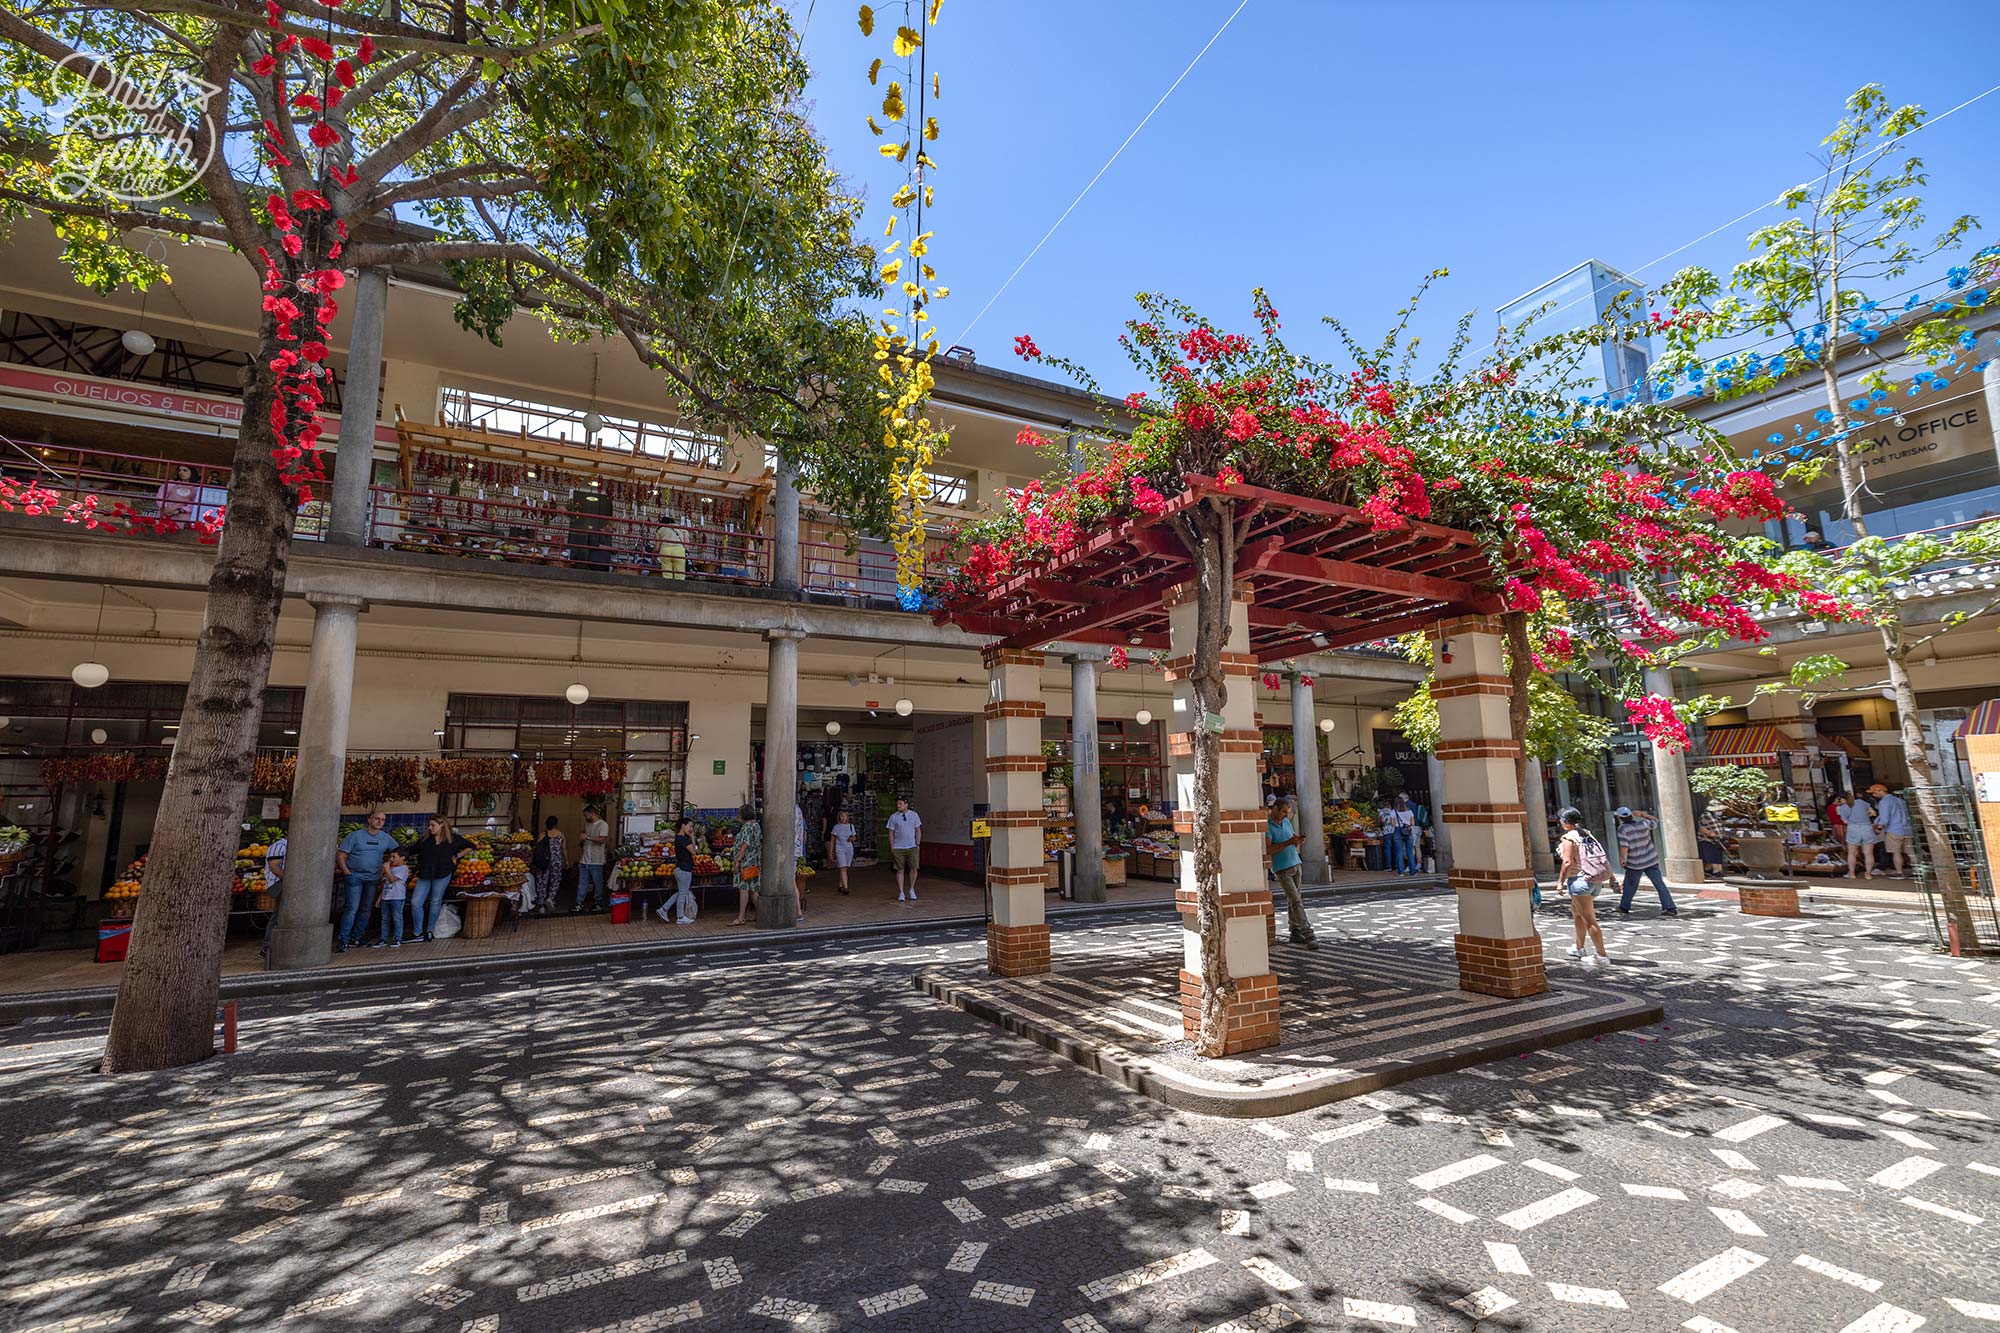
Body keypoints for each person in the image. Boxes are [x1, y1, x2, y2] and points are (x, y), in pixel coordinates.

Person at [1556, 807, 1612, 968]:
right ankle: (1579, 948)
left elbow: (1567, 862)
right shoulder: (1587, 833)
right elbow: (1602, 856)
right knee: (1577, 913)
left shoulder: (1568, 838)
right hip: (1594, 881)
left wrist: (1560, 882)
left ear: (1566, 822)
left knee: (1589, 919)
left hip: (1579, 881)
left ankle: (1601, 955)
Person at [334, 811, 397, 952]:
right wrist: (346, 872)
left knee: (366, 908)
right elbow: (340, 855)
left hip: (373, 878)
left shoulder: (386, 838)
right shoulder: (355, 836)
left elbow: (398, 853)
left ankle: (356, 937)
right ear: (369, 820)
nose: (380, 821)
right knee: (352, 908)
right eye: (377, 818)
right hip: (354, 877)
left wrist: (387, 866)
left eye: (383, 820)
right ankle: (343, 940)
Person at [1265, 797, 1318, 949]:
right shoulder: (1268, 826)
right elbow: (1269, 849)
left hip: (1295, 864)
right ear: (1275, 809)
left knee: (1294, 900)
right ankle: (1308, 933)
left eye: (1287, 812)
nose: (1285, 815)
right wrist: (1289, 842)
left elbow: (1292, 840)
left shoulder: (1287, 823)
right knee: (1295, 900)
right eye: (1283, 812)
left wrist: (1298, 841)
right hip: (1282, 869)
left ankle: (1295, 931)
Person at [410, 815, 473, 940]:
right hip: (425, 873)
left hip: (443, 872)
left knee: (436, 901)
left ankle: (429, 930)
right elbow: (411, 850)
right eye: (429, 825)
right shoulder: (425, 840)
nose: (430, 828)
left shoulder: (453, 840)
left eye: (433, 825)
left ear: (442, 825)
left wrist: (457, 856)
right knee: (415, 902)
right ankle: (417, 932)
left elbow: (470, 846)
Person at [1613, 806, 1678, 916]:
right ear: (1631, 815)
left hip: (1635, 863)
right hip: (1651, 859)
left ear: (1620, 818)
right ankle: (1670, 907)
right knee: (1659, 884)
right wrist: (1642, 814)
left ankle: (1624, 907)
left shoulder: (1623, 829)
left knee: (1630, 885)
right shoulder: (1643, 824)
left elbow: (1625, 846)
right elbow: (1656, 820)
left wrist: (1622, 858)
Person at [658, 816, 698, 925]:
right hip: (684, 869)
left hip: (680, 868)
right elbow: (694, 852)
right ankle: (680, 917)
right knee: (683, 894)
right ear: (683, 826)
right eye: (689, 826)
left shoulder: (678, 838)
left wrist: (691, 836)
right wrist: (692, 837)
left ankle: (664, 909)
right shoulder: (683, 839)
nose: (691, 829)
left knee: (681, 892)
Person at [728, 804, 762, 925]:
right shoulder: (756, 825)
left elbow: (745, 845)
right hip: (755, 862)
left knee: (744, 889)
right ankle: (762, 914)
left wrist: (738, 860)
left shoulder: (747, 827)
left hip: (746, 862)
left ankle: (741, 917)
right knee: (753, 890)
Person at [1870, 783, 1912, 878]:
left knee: (1896, 852)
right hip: (1907, 829)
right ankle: (1920, 872)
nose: (1874, 795)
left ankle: (1899, 872)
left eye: (1875, 793)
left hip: (1894, 830)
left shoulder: (1884, 802)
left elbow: (1885, 819)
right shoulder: (1900, 800)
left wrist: (1878, 828)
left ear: (1881, 791)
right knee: (1911, 852)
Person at [574, 804, 610, 912]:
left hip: (596, 860)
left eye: (586, 815)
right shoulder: (587, 825)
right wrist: (582, 837)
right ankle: (579, 903)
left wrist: (588, 837)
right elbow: (583, 834)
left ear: (592, 813)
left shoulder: (603, 825)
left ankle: (598, 903)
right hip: (584, 859)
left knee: (597, 882)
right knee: (582, 883)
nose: (585, 818)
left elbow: (602, 840)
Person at [259, 831, 287, 966]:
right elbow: (274, 866)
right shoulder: (279, 846)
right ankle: (267, 945)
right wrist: (288, 880)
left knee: (280, 914)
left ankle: (269, 945)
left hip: (284, 883)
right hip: (277, 884)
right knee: (278, 915)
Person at [887, 796, 922, 902]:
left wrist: (918, 843)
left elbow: (918, 830)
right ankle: (901, 892)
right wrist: (892, 847)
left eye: (900, 804)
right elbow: (891, 833)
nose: (898, 806)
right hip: (898, 847)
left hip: (912, 846)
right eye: (897, 804)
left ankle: (911, 889)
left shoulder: (914, 815)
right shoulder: (893, 817)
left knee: (914, 868)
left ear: (906, 804)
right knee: (900, 869)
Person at [373, 848, 410, 948]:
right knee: (385, 919)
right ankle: (383, 938)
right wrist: (379, 899)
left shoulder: (404, 869)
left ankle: (397, 938)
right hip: (386, 897)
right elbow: (386, 884)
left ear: (402, 858)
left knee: (397, 918)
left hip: (397, 897)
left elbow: (393, 879)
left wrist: (387, 869)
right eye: (391, 857)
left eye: (394, 857)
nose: (392, 859)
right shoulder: (391, 869)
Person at [1835, 791, 1877, 879]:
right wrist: (1866, 815)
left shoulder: (1842, 808)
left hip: (1853, 828)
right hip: (1867, 827)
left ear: (1842, 799)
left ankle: (1852, 873)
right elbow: (1873, 813)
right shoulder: (1861, 802)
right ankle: (1868, 874)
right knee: (1868, 853)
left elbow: (1845, 821)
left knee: (1852, 853)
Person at [531, 815, 565, 915]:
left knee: (541, 881)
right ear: (556, 824)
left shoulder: (542, 834)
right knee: (556, 880)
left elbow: (537, 848)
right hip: (556, 861)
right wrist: (566, 861)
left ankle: (541, 905)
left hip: (543, 861)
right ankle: (550, 898)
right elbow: (564, 850)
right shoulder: (561, 834)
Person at [1389, 794, 1418, 875]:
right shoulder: (1409, 811)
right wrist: (1408, 825)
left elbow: (1392, 824)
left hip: (1398, 831)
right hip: (1408, 831)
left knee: (1399, 852)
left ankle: (1401, 871)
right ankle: (1413, 872)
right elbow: (1412, 823)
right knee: (1410, 852)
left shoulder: (1393, 812)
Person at [831, 807, 856, 895]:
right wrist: (831, 853)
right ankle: (846, 887)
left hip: (849, 848)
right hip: (839, 848)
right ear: (839, 817)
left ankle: (841, 885)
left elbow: (854, 837)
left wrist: (851, 838)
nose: (843, 818)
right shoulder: (836, 827)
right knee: (843, 867)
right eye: (842, 816)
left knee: (845, 867)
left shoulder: (850, 826)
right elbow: (832, 840)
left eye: (845, 816)